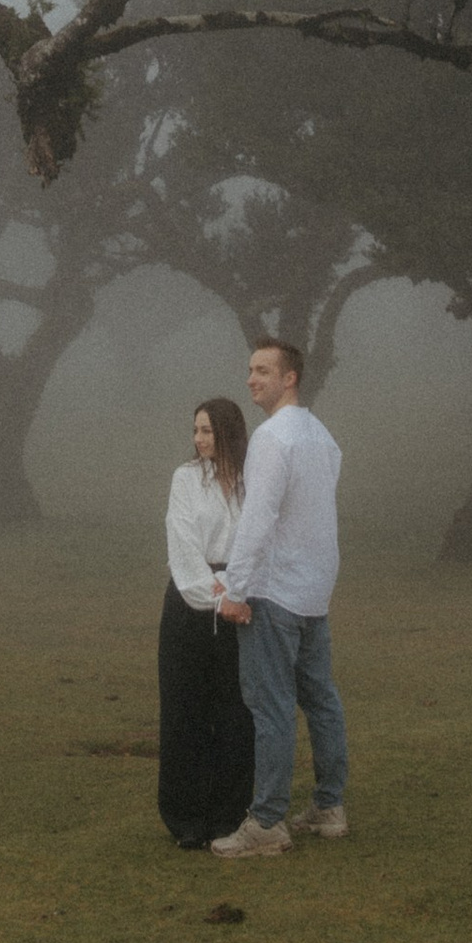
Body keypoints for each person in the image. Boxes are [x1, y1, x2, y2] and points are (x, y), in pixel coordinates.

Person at [212, 337, 348, 859]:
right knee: (320, 699)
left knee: (271, 708)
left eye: (263, 371)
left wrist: (235, 588)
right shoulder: (321, 436)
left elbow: (259, 517)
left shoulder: (272, 438)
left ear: (290, 378)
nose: (251, 379)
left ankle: (267, 822)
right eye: (250, 369)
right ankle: (329, 807)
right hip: (314, 590)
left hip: (274, 592)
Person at [158, 398, 257, 849]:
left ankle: (229, 814)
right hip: (191, 601)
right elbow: (182, 544)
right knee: (186, 708)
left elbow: (258, 538)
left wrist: (237, 590)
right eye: (196, 430)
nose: (198, 439)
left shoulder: (252, 480)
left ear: (228, 433)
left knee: (236, 710)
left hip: (242, 597)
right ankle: (187, 817)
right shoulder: (185, 479)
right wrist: (217, 597)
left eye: (208, 431)